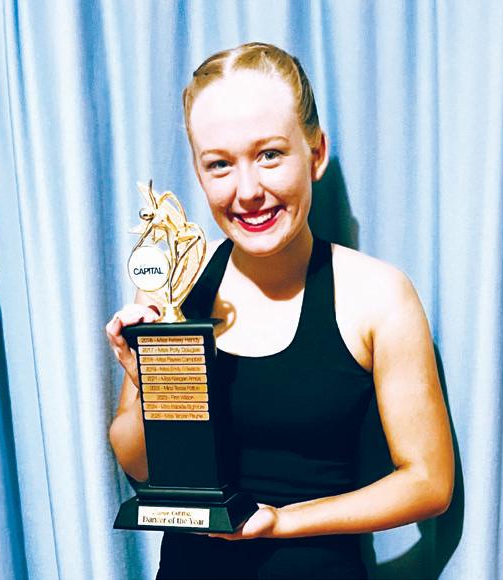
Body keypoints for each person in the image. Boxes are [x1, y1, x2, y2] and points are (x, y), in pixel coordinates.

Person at [106, 42, 454, 579]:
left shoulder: (380, 295)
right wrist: (153, 385)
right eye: (220, 164)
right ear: (198, 172)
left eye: (269, 155)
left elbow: (429, 483)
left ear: (315, 153)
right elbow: (142, 469)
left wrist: (281, 522)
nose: (248, 191)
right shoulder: (174, 286)